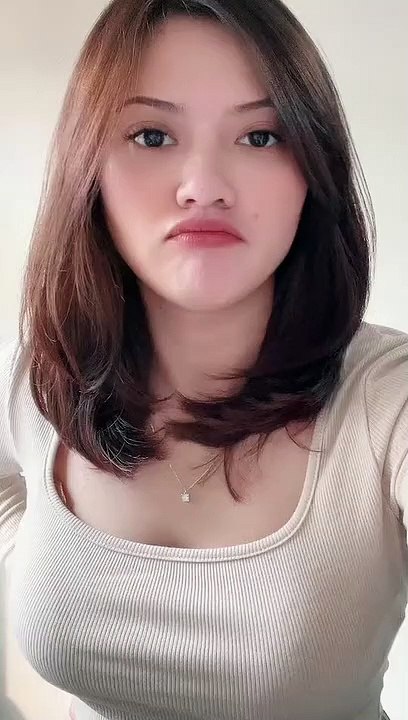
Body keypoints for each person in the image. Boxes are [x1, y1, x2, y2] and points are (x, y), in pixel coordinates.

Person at [0, 0, 406, 718]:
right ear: (87, 166)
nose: (204, 186)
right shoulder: (44, 373)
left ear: (313, 171)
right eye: (152, 135)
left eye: (259, 136)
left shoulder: (389, 401)